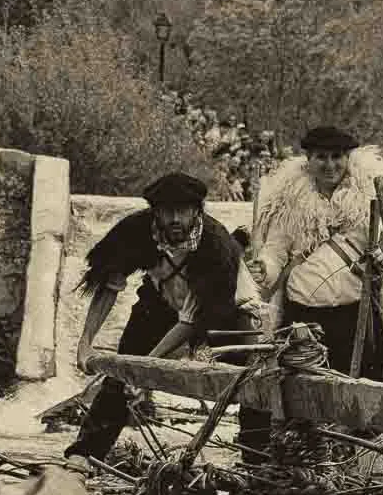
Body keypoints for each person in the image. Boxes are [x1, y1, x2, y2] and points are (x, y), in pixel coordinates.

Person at [65, 172, 265, 462]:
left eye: (183, 210)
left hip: (225, 310)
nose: (174, 219)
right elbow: (109, 285)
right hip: (160, 300)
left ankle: (257, 462)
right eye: (167, 210)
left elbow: (191, 320)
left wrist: (146, 371)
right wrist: (86, 342)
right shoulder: (135, 230)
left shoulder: (217, 246)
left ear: (197, 211)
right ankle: (83, 456)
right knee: (121, 371)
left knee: (252, 379)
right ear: (154, 212)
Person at [247, 126, 383, 386]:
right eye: (321, 157)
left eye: (337, 157)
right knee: (300, 390)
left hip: (354, 317)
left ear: (347, 158)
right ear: (309, 160)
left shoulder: (369, 201)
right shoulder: (290, 204)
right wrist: (263, 267)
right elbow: (275, 252)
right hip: (302, 317)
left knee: (361, 390)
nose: (330, 165)